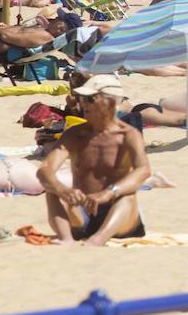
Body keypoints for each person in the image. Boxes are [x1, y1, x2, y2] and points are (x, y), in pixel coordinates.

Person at [37, 75, 151, 245]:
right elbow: (45, 169)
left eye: (90, 99)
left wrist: (109, 192)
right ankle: (66, 238)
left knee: (128, 196)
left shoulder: (128, 135)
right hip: (82, 212)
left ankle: (98, 239)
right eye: (82, 99)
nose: (82, 104)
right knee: (51, 188)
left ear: (110, 103)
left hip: (117, 215)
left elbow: (143, 170)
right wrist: (63, 190)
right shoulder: (74, 134)